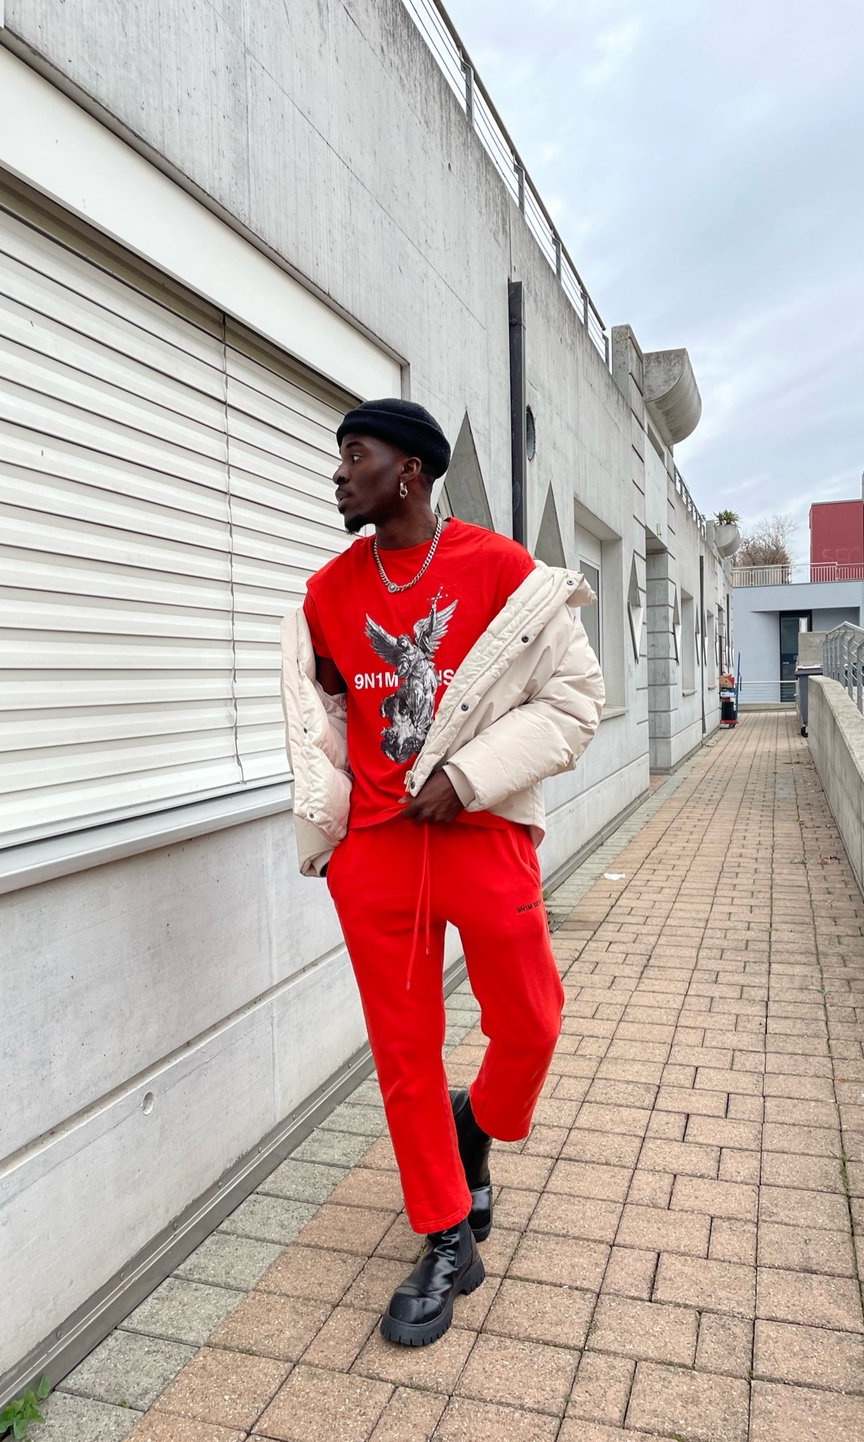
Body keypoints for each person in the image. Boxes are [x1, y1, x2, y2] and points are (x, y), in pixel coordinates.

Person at [280, 398, 604, 1347]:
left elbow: (577, 703)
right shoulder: (327, 594)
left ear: (410, 472)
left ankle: (482, 1127)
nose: (339, 474)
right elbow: (327, 714)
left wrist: (468, 775)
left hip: (481, 832)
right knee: (404, 1055)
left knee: (532, 1020)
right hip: (376, 856)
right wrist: (332, 829)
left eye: (355, 456)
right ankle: (444, 1234)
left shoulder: (502, 571)